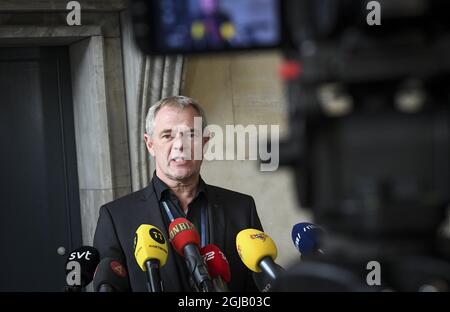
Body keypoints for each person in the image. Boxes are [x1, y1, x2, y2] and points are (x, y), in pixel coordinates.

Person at [93, 95, 263, 291]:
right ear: (150, 144)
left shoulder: (242, 208)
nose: (180, 145)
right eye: (167, 135)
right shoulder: (116, 218)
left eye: (191, 134)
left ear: (205, 142)